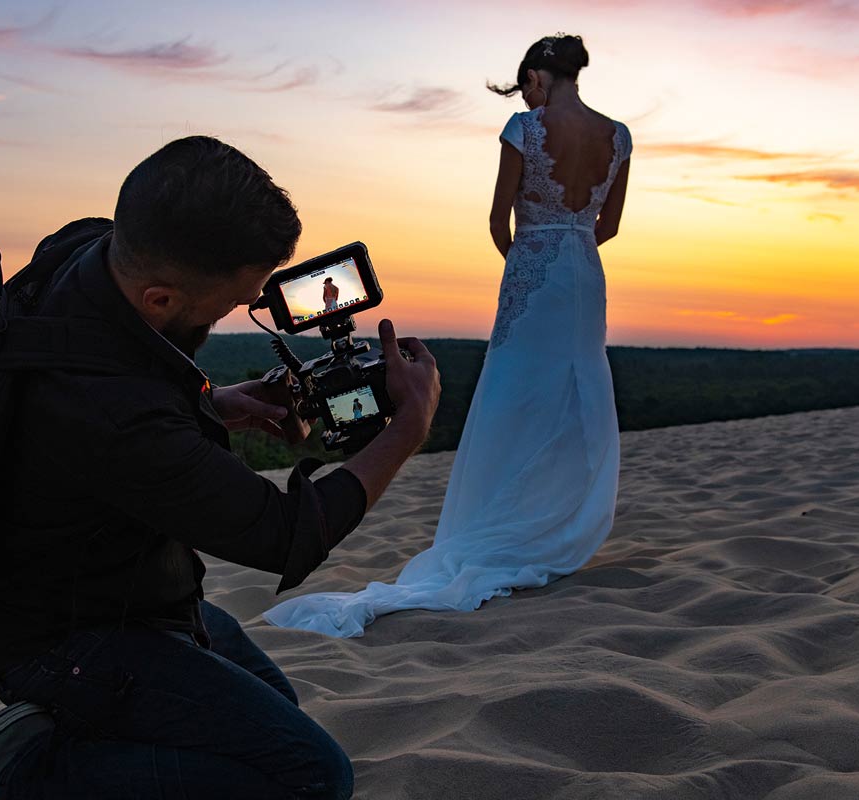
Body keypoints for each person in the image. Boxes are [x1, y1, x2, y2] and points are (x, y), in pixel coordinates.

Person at [0, 136, 440, 799]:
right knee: (312, 776)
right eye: (234, 302)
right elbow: (287, 534)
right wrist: (410, 426)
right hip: (66, 644)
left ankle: (87, 749)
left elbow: (140, 381)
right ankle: (21, 783)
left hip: (120, 592)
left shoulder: (88, 250)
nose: (243, 311)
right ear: (158, 299)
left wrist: (220, 403)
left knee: (277, 711)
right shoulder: (115, 415)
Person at [264, 33, 630, 638]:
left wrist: (527, 262)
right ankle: (562, 517)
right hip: (585, 272)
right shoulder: (619, 135)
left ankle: (503, 518)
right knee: (576, 386)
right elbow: (607, 224)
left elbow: (497, 219)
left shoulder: (523, 127)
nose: (527, 98)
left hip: (531, 267)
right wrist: (570, 247)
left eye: (527, 87)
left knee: (515, 392)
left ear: (537, 76)